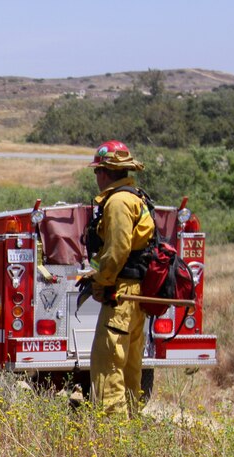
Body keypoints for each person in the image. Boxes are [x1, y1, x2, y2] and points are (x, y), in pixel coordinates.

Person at [83, 140, 155, 417]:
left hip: (121, 292)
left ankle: (113, 436)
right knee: (129, 368)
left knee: (108, 365)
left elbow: (116, 251)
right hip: (136, 293)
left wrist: (101, 282)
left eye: (97, 172)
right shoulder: (137, 197)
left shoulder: (118, 202)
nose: (97, 178)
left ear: (104, 173)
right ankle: (132, 429)